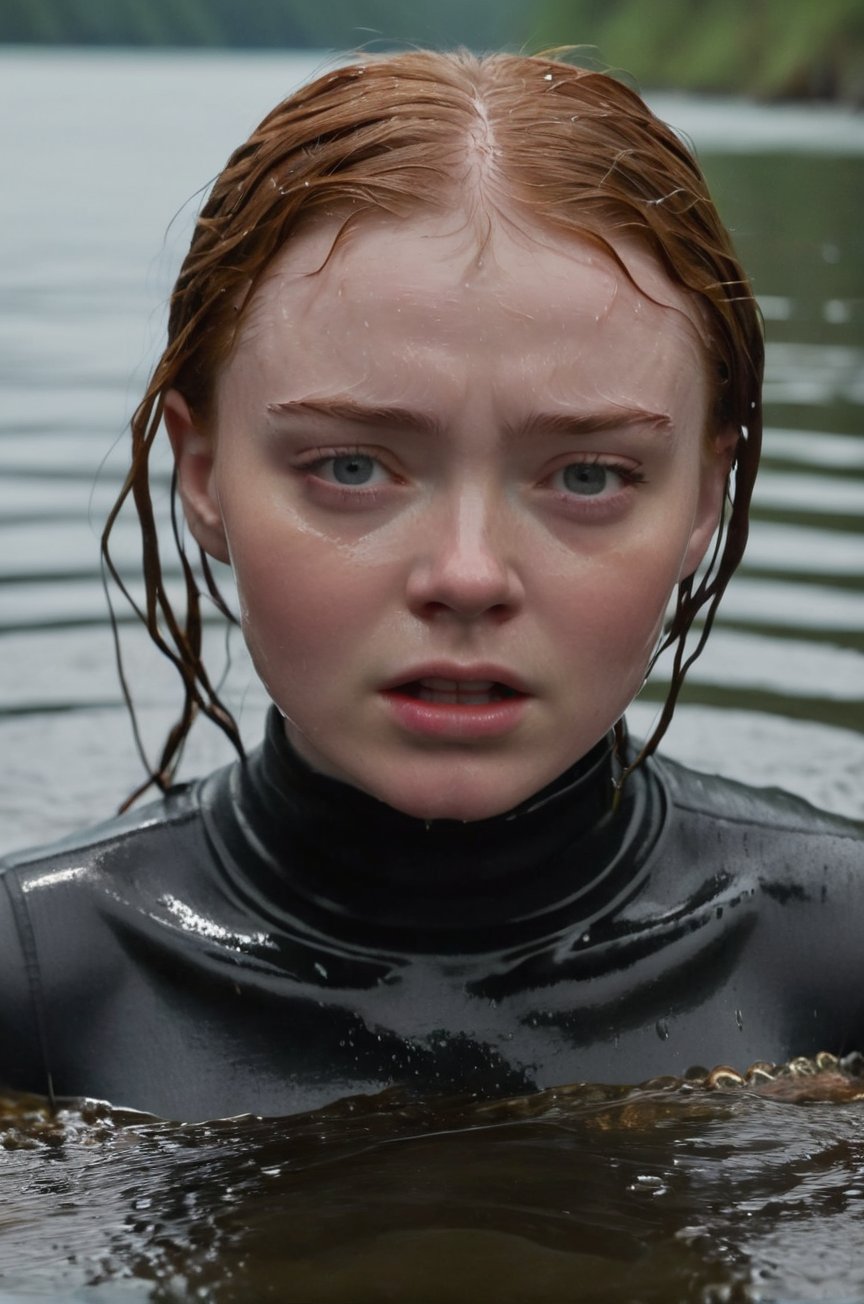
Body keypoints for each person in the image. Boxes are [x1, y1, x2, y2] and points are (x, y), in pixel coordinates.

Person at [0, 51, 861, 1123]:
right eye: (352, 467)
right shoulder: (33, 989)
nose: (466, 574)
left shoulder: (840, 959)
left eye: (588, 475)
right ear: (206, 472)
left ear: (701, 498)